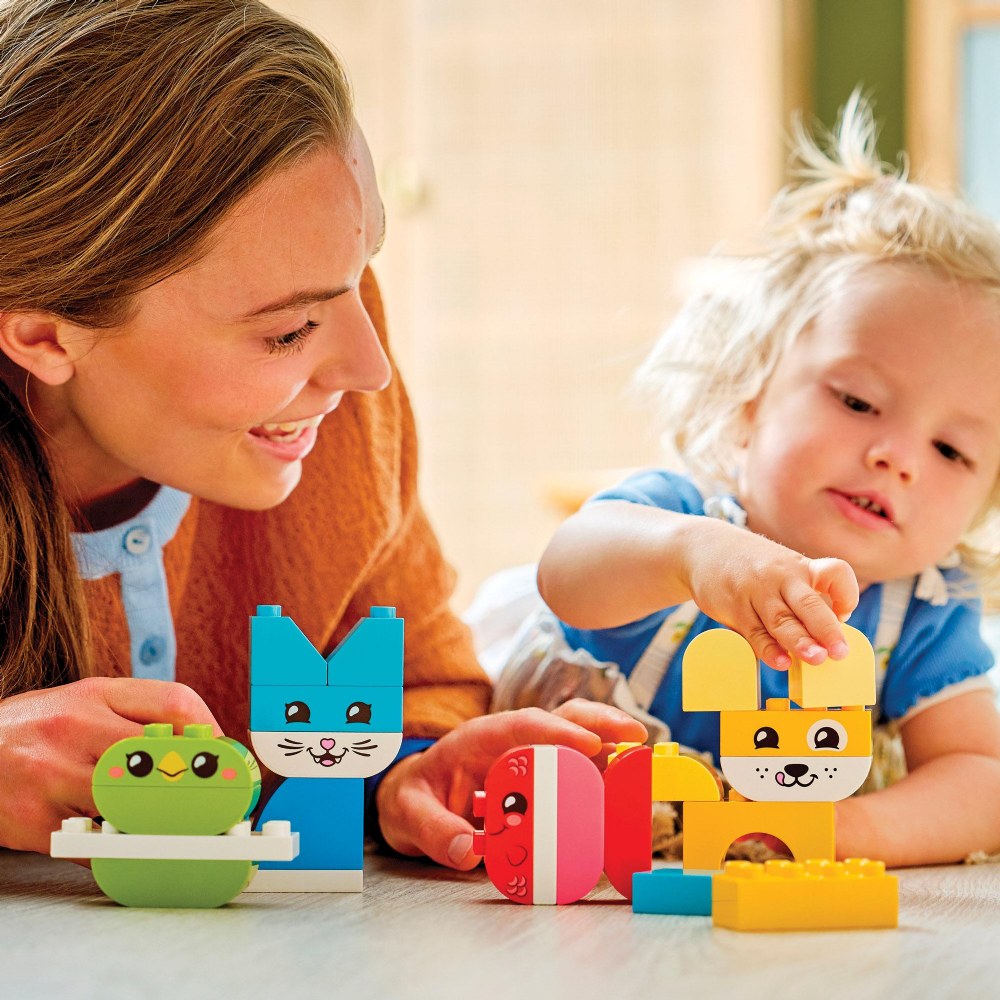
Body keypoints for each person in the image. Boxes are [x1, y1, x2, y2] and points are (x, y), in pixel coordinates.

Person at [0, 0, 644, 864]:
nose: (369, 369)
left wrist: (403, 771)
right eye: (288, 332)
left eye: (362, 273)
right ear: (44, 337)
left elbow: (425, 675)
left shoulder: (330, 412)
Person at [537, 93, 1000, 868]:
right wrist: (693, 557)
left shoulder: (921, 610)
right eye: (858, 401)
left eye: (952, 450)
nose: (899, 458)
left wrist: (840, 832)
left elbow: (980, 780)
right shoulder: (682, 516)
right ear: (749, 396)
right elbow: (564, 574)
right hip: (563, 851)